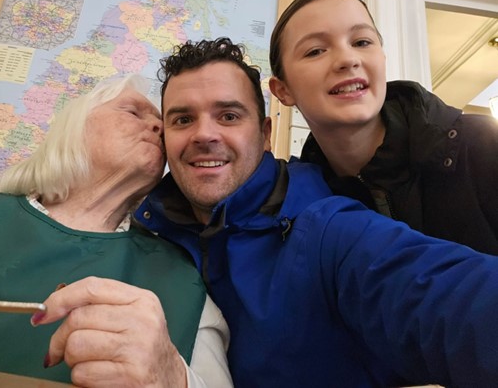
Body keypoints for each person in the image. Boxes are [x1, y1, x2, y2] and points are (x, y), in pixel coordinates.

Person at [133, 37, 498, 387]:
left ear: (265, 135)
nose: (203, 135)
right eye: (182, 120)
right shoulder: (150, 235)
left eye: (228, 116)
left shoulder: (329, 230)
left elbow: (456, 301)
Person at [0, 74, 232, 387]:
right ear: (74, 126)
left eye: (164, 121)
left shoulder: (182, 279)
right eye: (134, 112)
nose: (160, 126)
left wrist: (172, 375)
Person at [268, 0, 498, 254]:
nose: (348, 59)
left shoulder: (484, 145)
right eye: (316, 51)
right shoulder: (305, 209)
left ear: (382, 57)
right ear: (282, 90)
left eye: (362, 42)